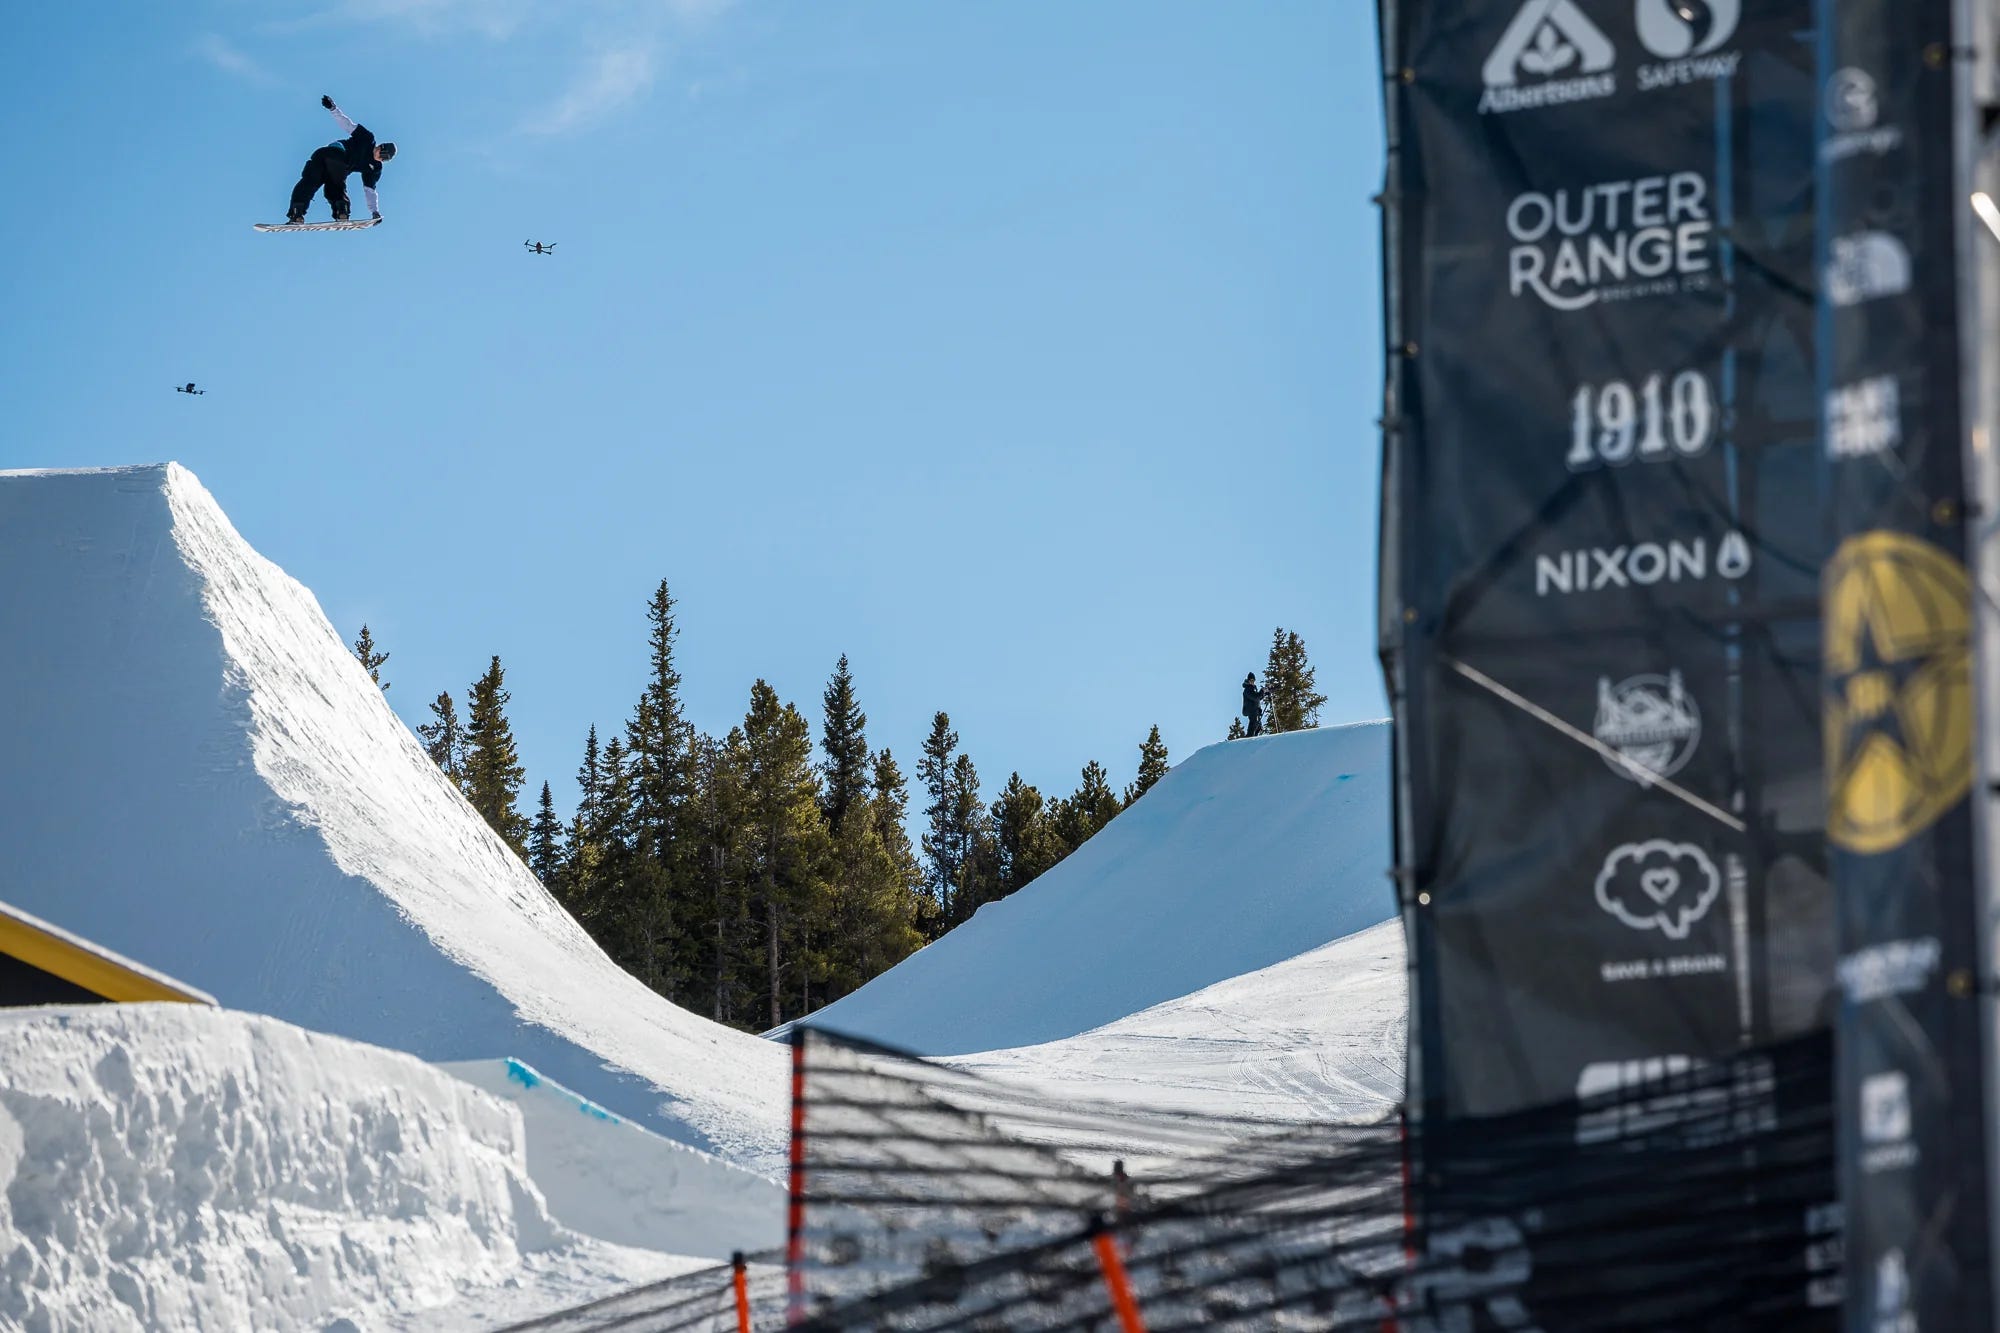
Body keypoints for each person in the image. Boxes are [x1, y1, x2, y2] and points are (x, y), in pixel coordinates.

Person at [287, 95, 395, 224]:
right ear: (380, 147)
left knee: (328, 184)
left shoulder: (374, 168)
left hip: (337, 164)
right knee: (313, 181)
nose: (380, 158)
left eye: (383, 159)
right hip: (333, 154)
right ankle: (297, 213)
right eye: (382, 154)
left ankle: (341, 212)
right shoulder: (367, 138)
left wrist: (375, 212)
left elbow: (370, 191)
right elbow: (347, 125)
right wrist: (333, 109)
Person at [1242, 673, 1264, 738]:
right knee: (1253, 723)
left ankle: (1254, 737)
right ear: (1248, 680)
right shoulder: (1247, 689)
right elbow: (1255, 697)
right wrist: (1262, 691)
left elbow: (1258, 697)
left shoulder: (1252, 688)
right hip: (1251, 709)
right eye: (1251, 680)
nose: (1252, 682)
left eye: (1253, 680)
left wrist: (1264, 693)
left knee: (1258, 726)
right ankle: (1249, 737)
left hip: (1255, 709)